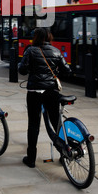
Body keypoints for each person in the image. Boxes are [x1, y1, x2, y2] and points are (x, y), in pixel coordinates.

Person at [18, 27, 72, 168]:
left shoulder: (30, 50)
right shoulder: (56, 51)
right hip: (51, 91)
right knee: (56, 123)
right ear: (49, 37)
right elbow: (68, 71)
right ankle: (64, 153)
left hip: (35, 91)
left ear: (36, 37)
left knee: (34, 124)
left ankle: (31, 159)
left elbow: (22, 70)